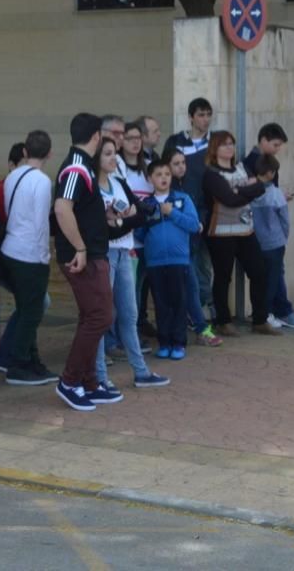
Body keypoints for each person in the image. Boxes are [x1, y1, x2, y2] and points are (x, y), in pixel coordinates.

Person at [52, 113, 117, 412]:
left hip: (91, 253)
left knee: (93, 316)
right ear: (95, 136)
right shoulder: (77, 168)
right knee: (100, 317)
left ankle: (89, 382)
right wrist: (79, 247)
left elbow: (76, 209)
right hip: (84, 257)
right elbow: (62, 208)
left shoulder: (83, 168)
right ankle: (70, 381)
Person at [92, 138, 170, 388]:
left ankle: (141, 371)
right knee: (103, 316)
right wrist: (120, 222)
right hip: (104, 255)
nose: (114, 159)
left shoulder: (118, 182)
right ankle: (100, 376)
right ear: (96, 158)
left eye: (114, 154)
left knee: (129, 313)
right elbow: (103, 227)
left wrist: (119, 222)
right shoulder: (92, 187)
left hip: (125, 252)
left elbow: (140, 213)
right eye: (107, 154)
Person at [201, 131, 279, 337]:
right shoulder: (211, 174)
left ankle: (260, 319)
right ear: (214, 148)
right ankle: (223, 321)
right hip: (221, 232)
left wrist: (240, 191)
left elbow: (258, 189)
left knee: (259, 271)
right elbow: (229, 200)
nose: (229, 148)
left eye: (232, 144)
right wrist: (244, 191)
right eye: (224, 144)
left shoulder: (242, 167)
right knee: (223, 277)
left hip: (245, 228)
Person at [0, 131, 59, 386]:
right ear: (49, 154)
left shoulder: (14, 175)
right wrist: (45, 253)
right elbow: (40, 222)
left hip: (11, 248)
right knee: (31, 312)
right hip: (30, 254)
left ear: (24, 151)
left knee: (26, 309)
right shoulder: (43, 182)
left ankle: (31, 360)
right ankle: (19, 363)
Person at [137, 159, 202, 361]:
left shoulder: (182, 199)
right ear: (150, 179)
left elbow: (193, 225)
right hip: (155, 262)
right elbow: (139, 232)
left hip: (179, 260)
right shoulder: (146, 205)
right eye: (158, 174)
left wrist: (171, 213)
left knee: (179, 302)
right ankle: (164, 342)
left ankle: (179, 342)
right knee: (160, 303)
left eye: (167, 174)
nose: (163, 178)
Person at [243, 123, 294, 329]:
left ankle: (272, 311)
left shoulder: (266, 164)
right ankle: (273, 311)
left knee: (273, 272)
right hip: (264, 232)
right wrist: (277, 198)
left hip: (264, 230)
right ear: (263, 140)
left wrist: (279, 196)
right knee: (271, 273)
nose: (277, 149)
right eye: (275, 144)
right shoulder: (251, 164)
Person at [162, 147, 222, 348]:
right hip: (164, 251)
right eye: (176, 164)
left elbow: (198, 212)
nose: (181, 168)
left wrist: (199, 222)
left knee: (193, 287)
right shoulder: (164, 193)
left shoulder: (190, 185)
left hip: (189, 246)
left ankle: (200, 328)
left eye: (183, 163)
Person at [163, 98, 215, 322]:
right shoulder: (176, 141)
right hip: (178, 214)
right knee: (186, 267)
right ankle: (188, 313)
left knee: (203, 266)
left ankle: (202, 310)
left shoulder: (214, 143)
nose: (205, 119)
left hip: (205, 213)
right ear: (191, 117)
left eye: (208, 114)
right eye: (201, 114)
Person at [0, 142, 26, 371]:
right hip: (4, 258)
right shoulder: (3, 189)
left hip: (14, 256)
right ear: (11, 165)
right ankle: (8, 353)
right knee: (34, 302)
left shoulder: (20, 185)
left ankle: (11, 352)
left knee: (33, 302)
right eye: (21, 165)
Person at [119, 122, 155, 342]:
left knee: (142, 288)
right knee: (128, 291)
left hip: (148, 237)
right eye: (129, 137)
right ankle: (126, 335)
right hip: (127, 238)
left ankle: (139, 326)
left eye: (138, 138)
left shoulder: (149, 167)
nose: (134, 142)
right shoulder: (118, 167)